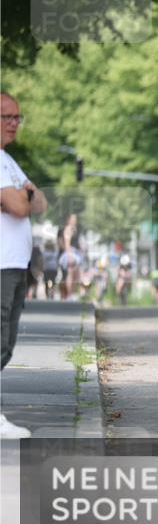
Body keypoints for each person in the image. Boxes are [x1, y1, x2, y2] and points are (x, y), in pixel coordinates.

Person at [1, 91, 48, 438]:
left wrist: (26, 194)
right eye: (7, 117)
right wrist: (23, 195)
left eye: (17, 117)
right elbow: (19, 206)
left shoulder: (8, 162)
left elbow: (38, 201)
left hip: (16, 265)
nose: (14, 123)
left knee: (7, 342)